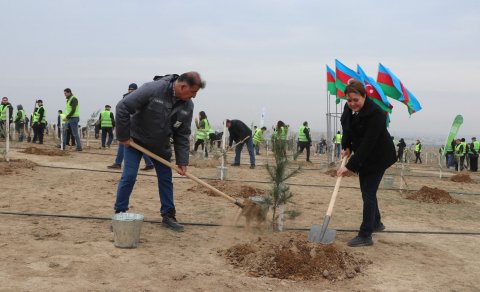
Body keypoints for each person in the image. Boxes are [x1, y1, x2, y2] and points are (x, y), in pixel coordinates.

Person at [113, 72, 205, 232]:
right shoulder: (153, 89)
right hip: (135, 141)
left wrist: (182, 161)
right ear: (183, 86)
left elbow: (182, 134)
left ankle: (168, 215)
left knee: (165, 179)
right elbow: (122, 107)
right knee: (129, 176)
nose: (194, 97)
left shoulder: (187, 105)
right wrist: (124, 136)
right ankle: (120, 213)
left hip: (160, 145)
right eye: (193, 92)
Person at [337, 79, 396, 247]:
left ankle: (365, 235)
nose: (353, 104)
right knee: (367, 191)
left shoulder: (376, 113)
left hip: (378, 157)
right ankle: (376, 222)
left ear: (364, 96)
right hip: (365, 157)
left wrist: (349, 166)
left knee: (368, 192)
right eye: (349, 100)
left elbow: (368, 143)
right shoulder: (349, 109)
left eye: (356, 100)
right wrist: (346, 146)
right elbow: (346, 127)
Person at [107, 83, 154, 170]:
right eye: (130, 89)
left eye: (132, 89)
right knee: (138, 146)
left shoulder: (132, 98)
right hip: (132, 125)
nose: (130, 91)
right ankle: (149, 163)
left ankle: (118, 163)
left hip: (130, 126)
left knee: (126, 144)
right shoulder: (139, 98)